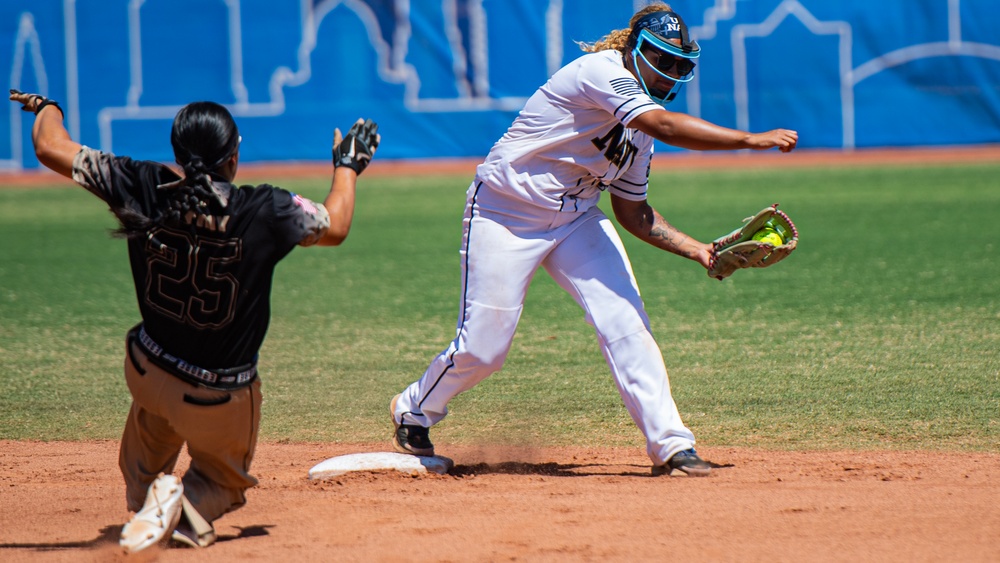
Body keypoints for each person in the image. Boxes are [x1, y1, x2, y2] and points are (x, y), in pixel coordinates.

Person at [389, 3, 797, 477]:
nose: (670, 73)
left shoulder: (639, 135)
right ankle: (414, 408)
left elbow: (634, 212)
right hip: (505, 212)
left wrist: (698, 250)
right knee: (484, 349)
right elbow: (662, 124)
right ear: (634, 49)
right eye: (662, 60)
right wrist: (750, 140)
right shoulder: (599, 74)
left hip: (575, 218)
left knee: (626, 322)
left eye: (680, 65)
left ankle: (672, 446)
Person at [9, 89, 379, 551]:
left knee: (140, 484)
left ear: (179, 153)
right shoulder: (266, 209)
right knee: (223, 486)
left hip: (148, 372)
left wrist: (48, 107)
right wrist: (347, 165)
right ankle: (184, 506)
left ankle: (155, 500)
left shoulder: (140, 183)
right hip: (218, 397)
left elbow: (49, 147)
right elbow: (336, 224)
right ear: (234, 155)